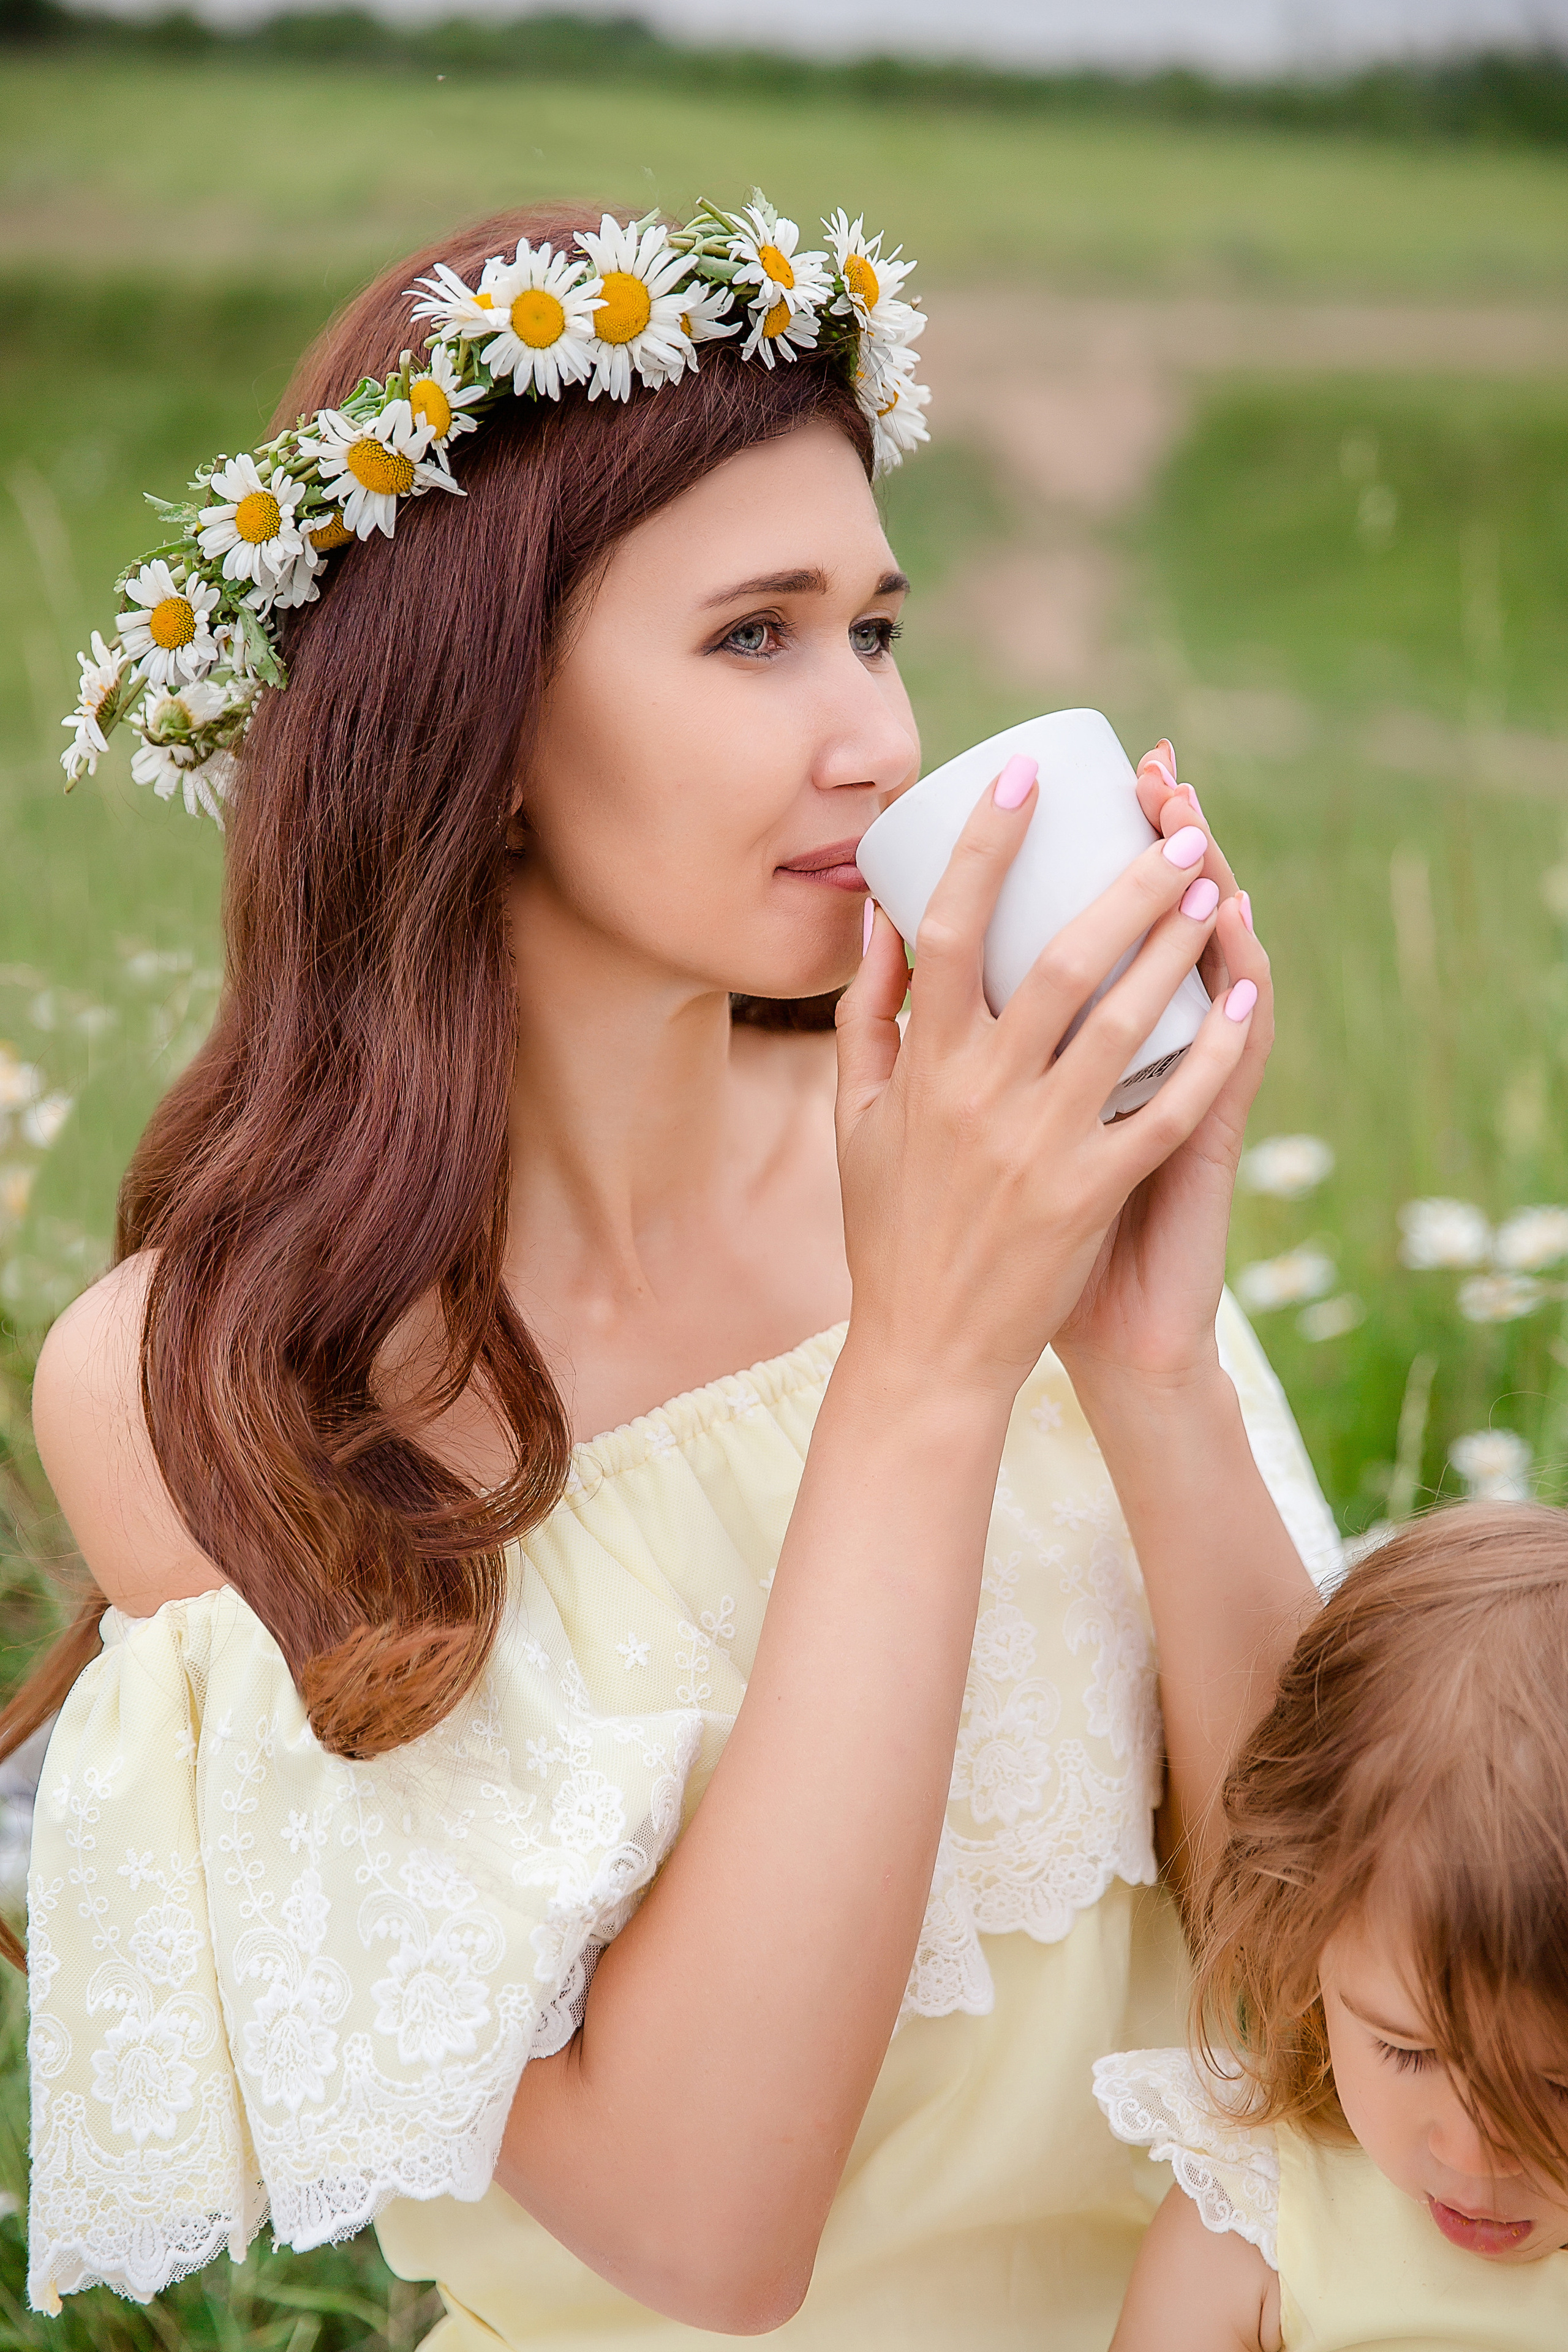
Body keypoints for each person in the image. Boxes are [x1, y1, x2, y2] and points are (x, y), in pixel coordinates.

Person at [17, 195, 1337, 2348]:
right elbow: (705, 2234)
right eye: (755, 638)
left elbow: (1349, 1969)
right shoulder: (206, 1378)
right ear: (476, 715)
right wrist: (923, 1368)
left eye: (877, 632)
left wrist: (1154, 1367)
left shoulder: (959, 1138)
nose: (879, 743)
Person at [1095, 1503, 1568, 2351]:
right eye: (1407, 2050)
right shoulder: (1259, 2222)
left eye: (1559, 2088)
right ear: (1307, 1941)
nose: (1474, 2154)